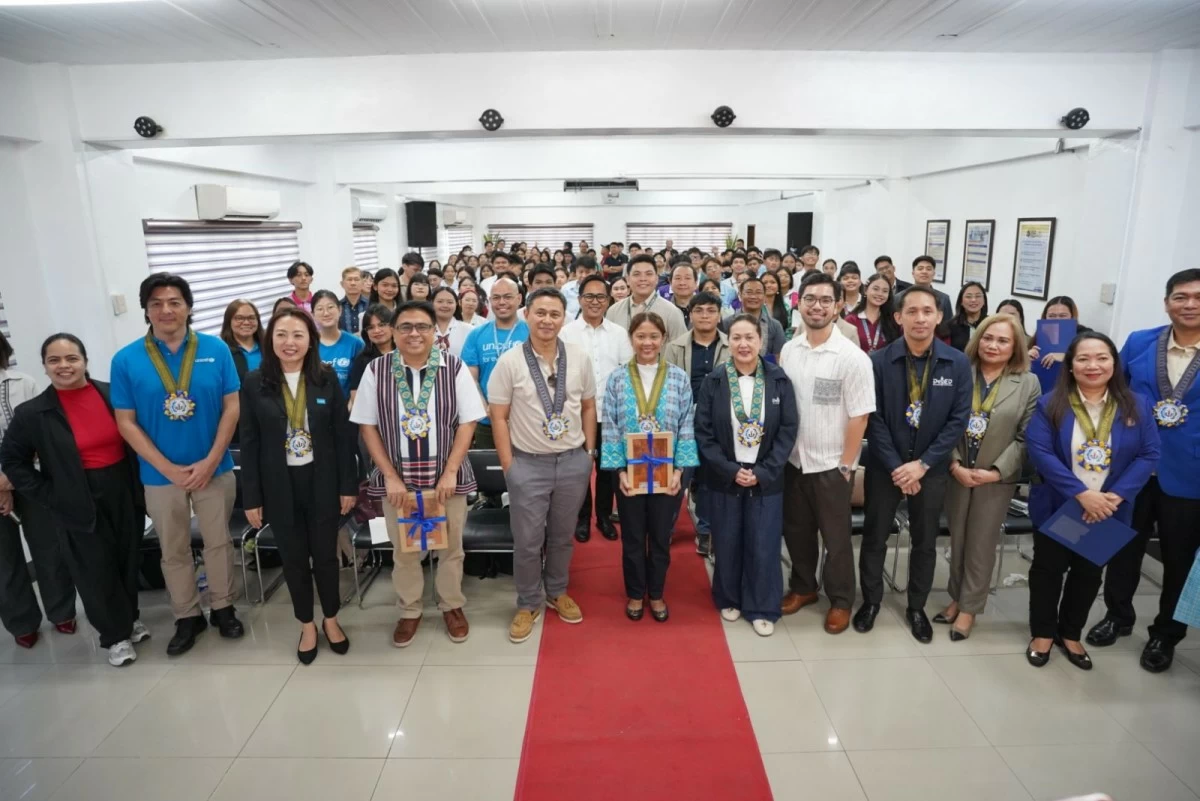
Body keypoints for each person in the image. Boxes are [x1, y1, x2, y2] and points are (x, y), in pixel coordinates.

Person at [111, 273, 243, 656]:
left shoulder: (216, 350)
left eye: (174, 302)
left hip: (213, 469)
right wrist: (167, 468)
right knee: (173, 548)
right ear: (146, 311)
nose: (166, 310)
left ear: (188, 306)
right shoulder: (127, 359)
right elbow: (125, 421)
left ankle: (223, 607)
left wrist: (212, 459)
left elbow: (231, 408)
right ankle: (187, 616)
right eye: (156, 304)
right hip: (159, 474)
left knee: (219, 542)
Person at [0, 334, 146, 666]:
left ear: (84, 360)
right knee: (94, 567)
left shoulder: (112, 393)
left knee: (127, 556)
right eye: (55, 360)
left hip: (123, 486)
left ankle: (129, 618)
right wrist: (47, 494)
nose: (64, 366)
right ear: (45, 367)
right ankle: (114, 637)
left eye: (71, 358)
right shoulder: (34, 412)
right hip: (74, 494)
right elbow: (13, 461)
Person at [352, 301, 484, 646]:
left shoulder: (453, 368)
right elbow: (367, 426)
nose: (414, 333)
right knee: (405, 551)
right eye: (406, 326)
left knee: (451, 549)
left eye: (422, 327)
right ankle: (410, 610)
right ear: (394, 332)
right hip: (399, 482)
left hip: (446, 478)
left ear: (434, 333)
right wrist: (390, 476)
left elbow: (468, 421)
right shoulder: (376, 371)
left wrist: (451, 470)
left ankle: (451, 605)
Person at [1086, 269, 1200, 672]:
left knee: (1178, 559)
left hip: (1188, 473)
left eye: (1197, 298)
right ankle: (1117, 616)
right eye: (1180, 297)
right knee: (1120, 547)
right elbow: (1114, 394)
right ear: (1167, 301)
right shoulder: (1139, 341)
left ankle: (1166, 634)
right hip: (1131, 470)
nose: (1189, 305)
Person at [1024, 333, 1159, 670]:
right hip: (1061, 505)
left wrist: (1117, 495)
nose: (1093, 365)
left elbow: (1149, 453)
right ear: (1071, 365)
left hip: (1108, 510)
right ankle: (1042, 633)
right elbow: (1039, 452)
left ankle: (1070, 633)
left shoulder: (1137, 405)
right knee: (1048, 571)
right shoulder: (1051, 403)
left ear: (1114, 363)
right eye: (1083, 359)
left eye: (1102, 358)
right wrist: (1081, 494)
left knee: (1088, 574)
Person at [239, 309, 357, 664]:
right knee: (293, 559)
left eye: (298, 335)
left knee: (325, 556)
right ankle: (306, 624)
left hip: (321, 482)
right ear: (270, 339)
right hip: (279, 485)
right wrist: (252, 496)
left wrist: (348, 485)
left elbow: (342, 437)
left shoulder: (325, 378)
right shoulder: (255, 381)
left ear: (311, 340)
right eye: (281, 335)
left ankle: (331, 619)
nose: (289, 343)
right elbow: (250, 441)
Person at [857, 285, 971, 642]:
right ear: (898, 317)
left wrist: (921, 465)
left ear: (939, 317)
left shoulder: (958, 362)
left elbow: (958, 420)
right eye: (912, 311)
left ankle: (916, 606)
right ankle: (872, 601)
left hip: (931, 470)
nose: (920, 318)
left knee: (924, 541)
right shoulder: (877, 361)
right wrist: (897, 466)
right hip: (884, 467)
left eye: (927, 311)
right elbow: (871, 418)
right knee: (875, 537)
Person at [489, 287, 596, 643]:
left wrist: (588, 454)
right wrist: (509, 466)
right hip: (527, 465)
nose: (547, 320)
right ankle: (528, 602)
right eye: (540, 313)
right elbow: (499, 417)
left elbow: (589, 406)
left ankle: (557, 591)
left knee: (563, 536)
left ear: (564, 318)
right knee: (528, 541)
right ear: (527, 315)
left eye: (554, 314)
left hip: (572, 462)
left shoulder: (579, 357)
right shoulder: (510, 361)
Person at [778, 273, 875, 634]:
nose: (816, 306)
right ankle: (804, 587)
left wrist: (846, 465)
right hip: (794, 461)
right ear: (798, 303)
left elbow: (860, 415)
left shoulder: (852, 358)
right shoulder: (790, 349)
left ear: (837, 306)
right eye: (809, 299)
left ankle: (841, 600)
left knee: (835, 539)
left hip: (833, 464)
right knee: (797, 532)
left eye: (824, 300)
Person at [695, 315, 798, 636]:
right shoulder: (714, 381)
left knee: (764, 543)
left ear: (760, 342)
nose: (743, 344)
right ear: (729, 343)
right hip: (726, 475)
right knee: (727, 540)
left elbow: (788, 430)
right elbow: (704, 432)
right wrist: (729, 470)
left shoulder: (779, 380)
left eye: (749, 338)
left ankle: (762, 605)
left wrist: (764, 472)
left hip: (766, 478)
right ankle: (728, 596)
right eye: (736, 338)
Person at [939, 314, 1040, 640]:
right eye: (988, 338)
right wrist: (954, 465)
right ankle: (956, 597)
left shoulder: (1028, 383)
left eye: (1003, 340)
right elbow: (942, 424)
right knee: (957, 540)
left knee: (981, 544)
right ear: (977, 339)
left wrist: (995, 472)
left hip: (995, 478)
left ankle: (970, 608)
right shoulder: (958, 372)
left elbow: (1027, 437)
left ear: (1016, 347)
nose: (993, 345)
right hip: (957, 472)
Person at [601, 313, 698, 622]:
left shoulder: (678, 377)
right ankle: (634, 593)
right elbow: (611, 428)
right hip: (630, 471)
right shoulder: (617, 378)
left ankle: (655, 593)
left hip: (667, 472)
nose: (647, 342)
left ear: (663, 339)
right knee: (632, 536)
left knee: (659, 535)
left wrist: (680, 472)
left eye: (653, 336)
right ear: (632, 339)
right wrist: (620, 473)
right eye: (641, 336)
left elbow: (687, 426)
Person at [0, 334, 77, 650]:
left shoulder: (23, 382)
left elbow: (40, 435)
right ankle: (21, 622)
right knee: (4, 560)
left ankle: (61, 611)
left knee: (49, 549)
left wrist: (7, 480)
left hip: (30, 478)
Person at [561, 274, 632, 542]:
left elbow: (626, 374)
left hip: (611, 416)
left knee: (606, 470)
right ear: (579, 300)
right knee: (579, 470)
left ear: (608, 300)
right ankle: (582, 518)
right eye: (589, 296)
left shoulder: (618, 334)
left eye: (600, 296)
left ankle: (603, 516)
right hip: (576, 415)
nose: (595, 301)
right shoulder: (566, 333)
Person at [665, 292, 729, 557]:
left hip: (718, 422)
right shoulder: (675, 347)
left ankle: (705, 530)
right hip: (683, 421)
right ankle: (664, 527)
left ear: (719, 314)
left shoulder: (730, 344)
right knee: (678, 478)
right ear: (689, 314)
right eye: (699, 310)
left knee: (709, 480)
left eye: (710, 310)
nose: (705, 315)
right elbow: (667, 386)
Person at [461, 276, 529, 449]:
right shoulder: (476, 334)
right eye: (496, 298)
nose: (502, 302)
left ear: (519, 299)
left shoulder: (531, 333)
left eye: (507, 297)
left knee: (525, 473)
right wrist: (487, 408)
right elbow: (471, 378)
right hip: (487, 420)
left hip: (525, 419)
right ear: (490, 301)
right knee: (489, 473)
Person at [606, 255, 687, 342]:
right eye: (637, 274)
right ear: (628, 279)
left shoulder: (672, 312)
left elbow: (681, 350)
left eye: (648, 274)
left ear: (656, 279)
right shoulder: (613, 311)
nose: (643, 279)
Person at [311, 289, 365, 395]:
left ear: (340, 310)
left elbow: (360, 381)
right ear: (313, 315)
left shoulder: (355, 344)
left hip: (348, 407)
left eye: (330, 307)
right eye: (320, 309)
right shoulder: (309, 344)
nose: (326, 313)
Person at [718, 276, 785, 358]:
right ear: (740, 295)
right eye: (749, 292)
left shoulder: (775, 326)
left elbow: (778, 357)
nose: (753, 297)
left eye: (758, 292)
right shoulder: (727, 323)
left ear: (764, 297)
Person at [348, 304, 395, 407]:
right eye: (371, 327)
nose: (377, 331)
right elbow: (356, 398)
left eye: (382, 325)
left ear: (392, 326)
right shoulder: (362, 360)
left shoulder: (405, 353)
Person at [1029, 296, 1092, 367]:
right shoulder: (1041, 333)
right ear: (1045, 317)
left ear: (1072, 316)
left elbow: (1090, 358)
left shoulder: (1085, 334)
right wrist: (1028, 357)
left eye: (1062, 316)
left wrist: (1066, 356)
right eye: (1051, 316)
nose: (1057, 319)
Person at [845, 273, 899, 354]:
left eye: (885, 291)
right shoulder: (851, 320)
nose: (880, 294)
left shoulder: (893, 321)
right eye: (876, 289)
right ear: (866, 290)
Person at [219, 299, 263, 383]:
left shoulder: (269, 346)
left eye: (251, 318)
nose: (246, 322)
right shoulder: (223, 351)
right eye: (239, 318)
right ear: (229, 321)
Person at [908, 256, 954, 323]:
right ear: (913, 273)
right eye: (920, 269)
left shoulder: (944, 299)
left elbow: (949, 326)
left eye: (928, 269)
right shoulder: (900, 297)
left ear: (933, 274)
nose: (924, 272)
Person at [430, 286, 471, 357]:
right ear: (432, 303)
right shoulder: (423, 329)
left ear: (457, 303)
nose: (445, 305)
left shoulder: (469, 330)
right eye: (440, 301)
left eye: (450, 302)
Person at [949, 282, 988, 351]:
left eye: (978, 296)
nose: (973, 300)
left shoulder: (990, 324)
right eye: (968, 296)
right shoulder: (950, 326)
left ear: (984, 300)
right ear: (961, 301)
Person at [561, 255, 597, 320]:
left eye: (587, 272)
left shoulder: (604, 287)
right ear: (576, 271)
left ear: (594, 271)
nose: (584, 275)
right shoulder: (566, 288)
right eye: (580, 272)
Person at [664, 262, 698, 327]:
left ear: (696, 283)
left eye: (687, 278)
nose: (682, 283)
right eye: (678, 278)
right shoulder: (663, 309)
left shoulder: (707, 310)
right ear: (670, 283)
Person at [339, 266, 369, 333]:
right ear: (342, 284)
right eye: (349, 279)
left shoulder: (371, 305)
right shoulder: (337, 307)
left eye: (356, 279)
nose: (353, 283)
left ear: (363, 283)